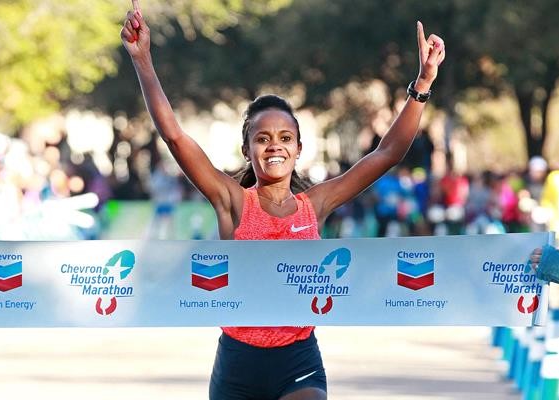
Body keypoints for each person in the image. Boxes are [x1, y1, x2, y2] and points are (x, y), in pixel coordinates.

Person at [121, 1, 445, 398]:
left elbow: (387, 153)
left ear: (298, 149)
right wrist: (142, 60)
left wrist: (422, 84)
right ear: (247, 150)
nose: (274, 146)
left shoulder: (316, 204)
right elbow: (174, 136)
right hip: (238, 364)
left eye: (285, 138)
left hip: (298, 360)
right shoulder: (232, 201)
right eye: (262, 138)